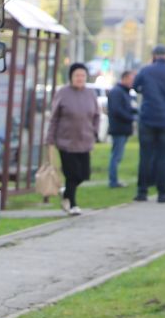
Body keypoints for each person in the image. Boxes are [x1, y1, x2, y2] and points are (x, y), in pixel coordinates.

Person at [133, 44, 165, 203]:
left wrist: (147, 93)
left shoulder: (145, 70)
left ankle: (142, 191)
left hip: (147, 118)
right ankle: (162, 192)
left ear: (154, 55)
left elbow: (136, 87)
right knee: (164, 157)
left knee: (145, 156)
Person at [47, 62, 99, 214]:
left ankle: (65, 193)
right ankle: (72, 204)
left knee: (84, 175)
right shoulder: (63, 93)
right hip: (66, 141)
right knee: (72, 174)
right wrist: (50, 138)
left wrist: (94, 131)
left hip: (85, 140)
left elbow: (96, 115)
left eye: (83, 75)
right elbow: (54, 117)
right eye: (77, 75)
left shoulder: (90, 94)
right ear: (71, 77)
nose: (80, 78)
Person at [106, 67, 137, 188]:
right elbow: (117, 110)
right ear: (124, 79)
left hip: (122, 128)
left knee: (118, 156)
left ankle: (114, 180)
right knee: (116, 156)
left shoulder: (123, 92)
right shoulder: (117, 92)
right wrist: (132, 118)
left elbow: (126, 108)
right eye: (130, 79)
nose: (132, 82)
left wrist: (135, 111)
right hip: (118, 128)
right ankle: (113, 181)